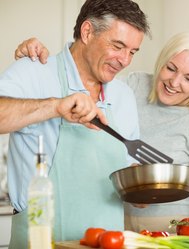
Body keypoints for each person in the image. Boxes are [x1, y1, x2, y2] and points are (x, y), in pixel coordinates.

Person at [15, 30, 189, 232]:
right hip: (118, 224)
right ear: (161, 62)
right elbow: (82, 81)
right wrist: (42, 63)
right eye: (170, 68)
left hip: (175, 231)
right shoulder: (134, 85)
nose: (174, 82)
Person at [0, 0, 150, 248]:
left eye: (132, 52)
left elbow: (124, 171)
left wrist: (141, 190)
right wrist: (56, 106)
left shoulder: (123, 96)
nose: (125, 60)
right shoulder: (35, 71)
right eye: (118, 46)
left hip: (108, 243)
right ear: (88, 32)